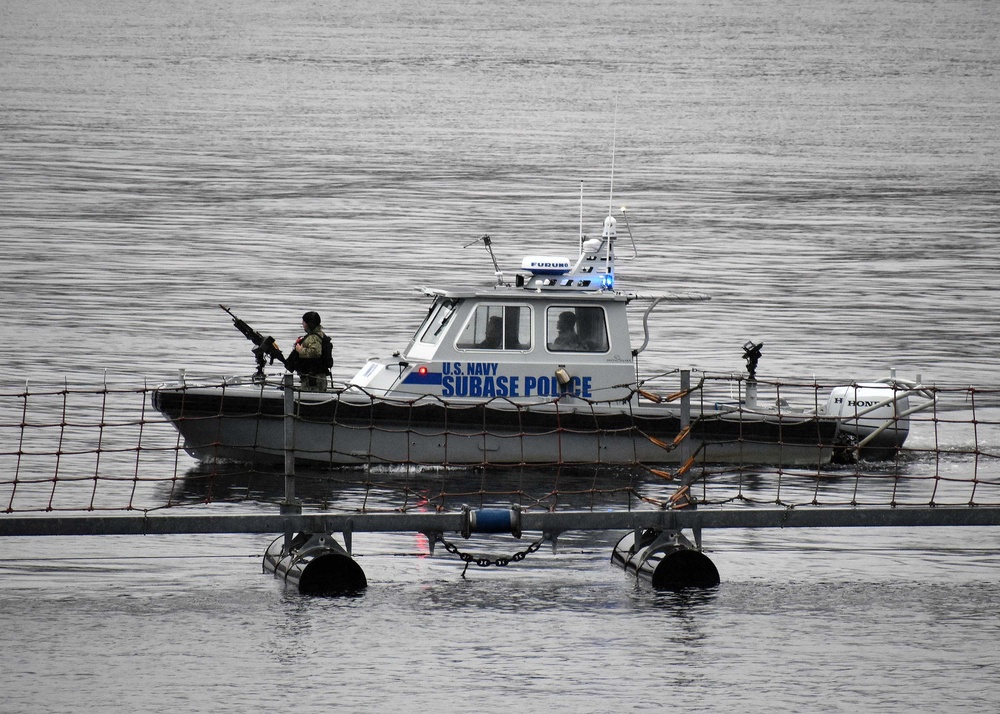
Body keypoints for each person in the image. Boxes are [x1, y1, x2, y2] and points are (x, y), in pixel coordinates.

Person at [288, 310, 330, 391]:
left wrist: (300, 350)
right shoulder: (320, 335)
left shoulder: (313, 337)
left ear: (309, 324)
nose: (302, 324)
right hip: (317, 378)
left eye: (304, 322)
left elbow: (316, 352)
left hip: (313, 380)